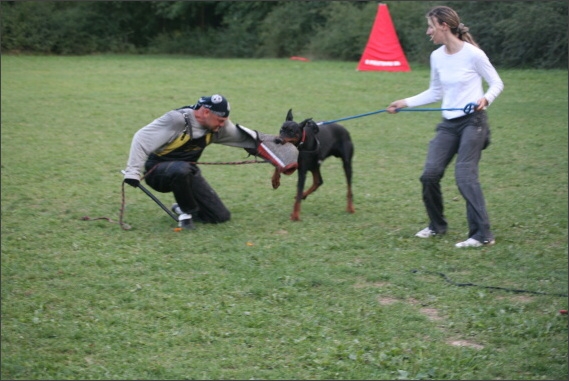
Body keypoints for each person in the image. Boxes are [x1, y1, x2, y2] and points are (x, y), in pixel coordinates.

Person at [386, 5, 504, 248]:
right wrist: (405, 102)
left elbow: (496, 83)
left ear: (444, 26)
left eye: (431, 27)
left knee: (464, 175)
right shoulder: (437, 56)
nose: (429, 32)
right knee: (429, 174)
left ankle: (482, 235)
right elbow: (436, 91)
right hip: (449, 125)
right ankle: (437, 226)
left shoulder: (473, 54)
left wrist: (485, 99)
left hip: (474, 122)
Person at [123, 94, 265, 230]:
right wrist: (133, 172)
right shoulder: (177, 120)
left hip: (188, 172)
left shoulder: (219, 127)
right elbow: (141, 138)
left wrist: (280, 150)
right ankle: (186, 213)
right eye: (220, 121)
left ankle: (180, 207)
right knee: (182, 169)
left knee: (220, 216)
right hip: (157, 173)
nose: (222, 125)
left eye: (225, 121)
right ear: (206, 112)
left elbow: (250, 140)